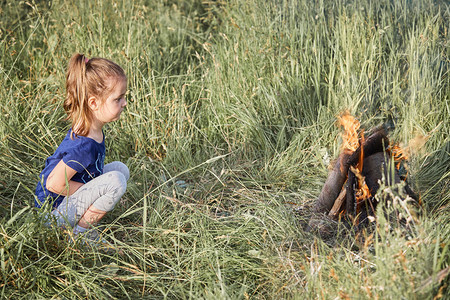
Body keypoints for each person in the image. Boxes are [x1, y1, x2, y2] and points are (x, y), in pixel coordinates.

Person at [34, 53, 129, 245]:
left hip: (66, 202)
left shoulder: (91, 129)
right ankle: (82, 236)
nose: (124, 103)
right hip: (51, 214)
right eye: (118, 98)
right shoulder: (83, 145)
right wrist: (94, 190)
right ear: (93, 103)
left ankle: (82, 226)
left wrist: (95, 189)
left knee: (120, 169)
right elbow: (53, 183)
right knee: (115, 182)